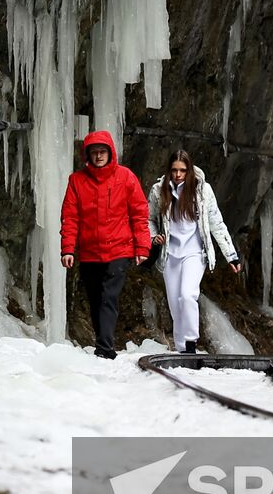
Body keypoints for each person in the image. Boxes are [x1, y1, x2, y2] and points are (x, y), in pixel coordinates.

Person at [60, 131, 151, 359]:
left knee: (109, 297)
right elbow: (70, 218)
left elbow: (139, 214)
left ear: (110, 152)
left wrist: (142, 247)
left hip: (119, 250)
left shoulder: (126, 177)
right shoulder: (77, 181)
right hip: (90, 253)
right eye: (94, 152)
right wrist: (68, 249)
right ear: (87, 155)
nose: (99, 156)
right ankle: (103, 343)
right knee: (95, 300)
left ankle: (105, 348)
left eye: (102, 151)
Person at [147, 150, 241, 354]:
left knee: (187, 295)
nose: (178, 175)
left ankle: (190, 343)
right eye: (174, 170)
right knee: (174, 303)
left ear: (189, 170)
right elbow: (149, 219)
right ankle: (182, 349)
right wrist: (154, 237)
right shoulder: (158, 190)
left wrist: (231, 255)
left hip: (195, 252)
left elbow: (216, 222)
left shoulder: (202, 190)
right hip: (170, 254)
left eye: (182, 170)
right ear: (169, 170)